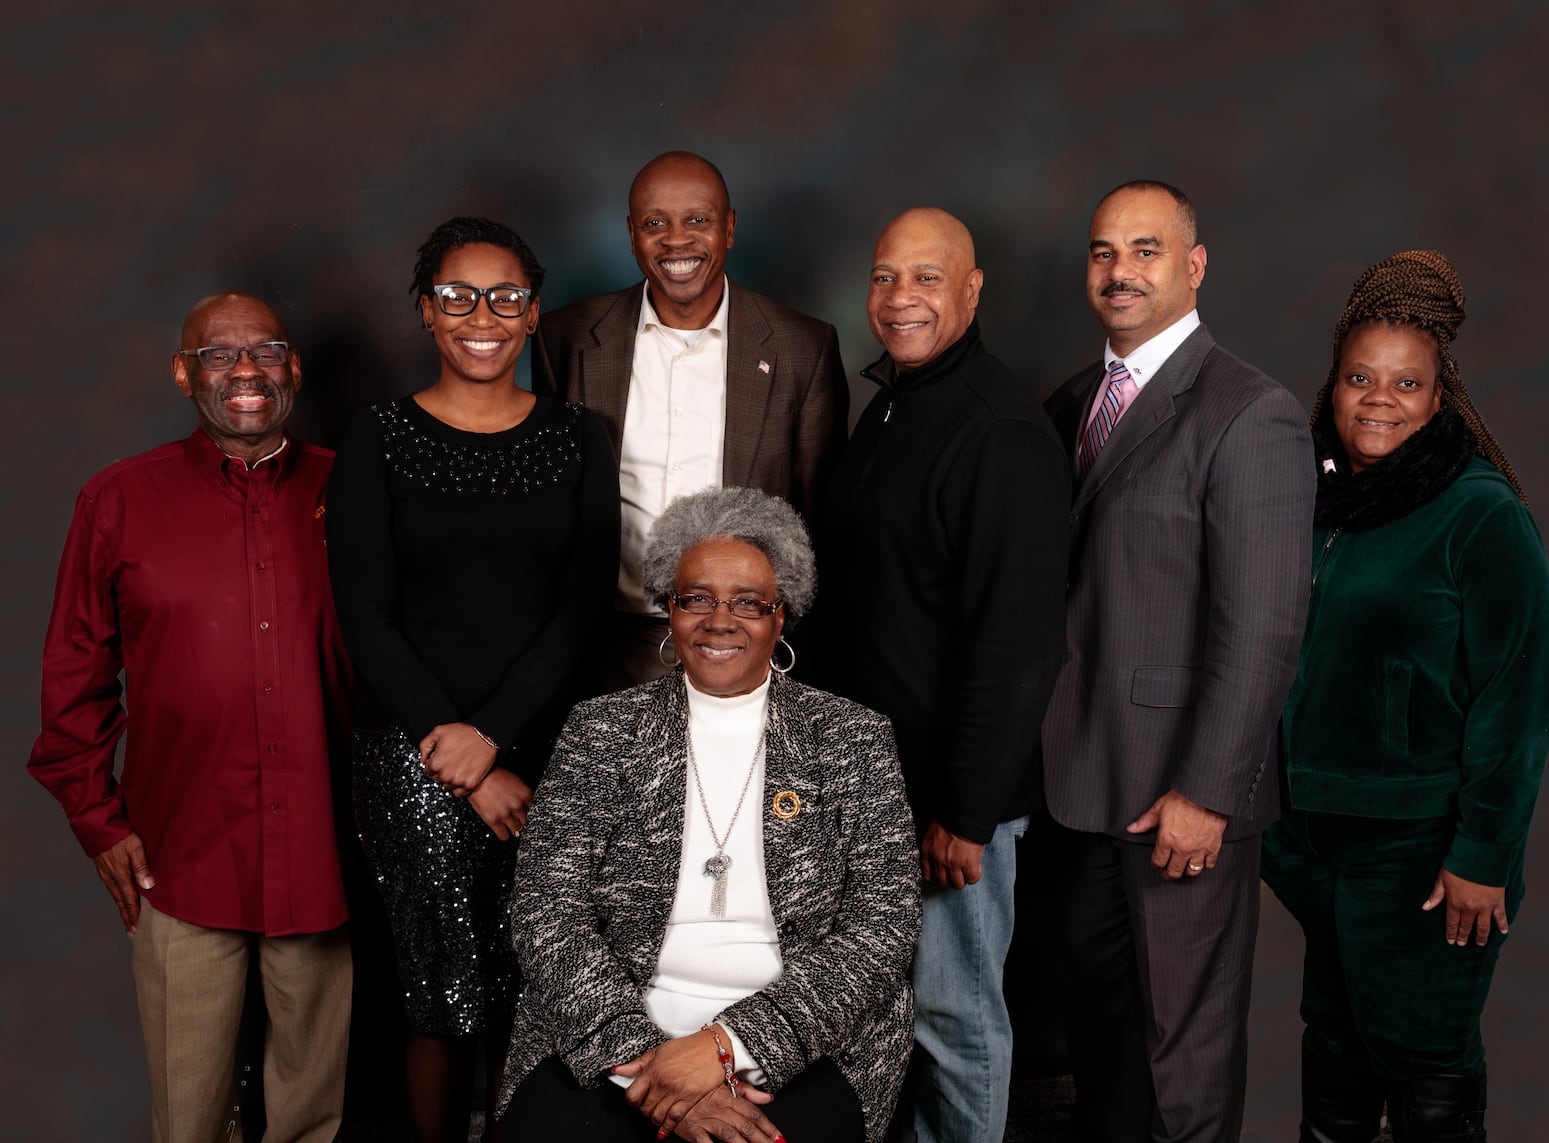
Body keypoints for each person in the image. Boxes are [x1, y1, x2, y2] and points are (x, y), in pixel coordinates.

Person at [498, 486, 921, 1143]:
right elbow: (545, 908)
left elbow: (884, 924)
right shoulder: (601, 730)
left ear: (782, 617)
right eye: (697, 597)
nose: (720, 620)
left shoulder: (852, 737)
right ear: (669, 609)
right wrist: (647, 1070)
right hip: (611, 1032)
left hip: (805, 1039)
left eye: (748, 602)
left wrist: (730, 1043)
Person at [28, 293, 353, 1143]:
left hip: (325, 848)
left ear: (294, 368)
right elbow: (74, 676)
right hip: (180, 856)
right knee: (189, 1114)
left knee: (315, 1114)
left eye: (266, 351)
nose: (245, 371)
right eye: (219, 355)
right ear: (184, 373)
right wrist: (98, 822)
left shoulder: (353, 489)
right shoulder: (116, 501)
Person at [326, 217, 619, 1143]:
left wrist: (496, 736)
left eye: (505, 297)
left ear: (534, 315)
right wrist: (462, 754)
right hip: (413, 753)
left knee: (532, 980)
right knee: (438, 990)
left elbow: (581, 607)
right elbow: (365, 617)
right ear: (426, 310)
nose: (480, 316)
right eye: (456, 296)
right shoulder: (376, 438)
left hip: (547, 750)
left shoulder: (580, 436)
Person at [1038, 180, 1315, 1141]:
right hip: (1079, 785)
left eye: (1146, 250)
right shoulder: (1074, 402)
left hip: (1180, 798)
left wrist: (1209, 790)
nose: (1121, 271)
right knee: (1102, 1053)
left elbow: (1266, 625)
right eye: (1104, 251)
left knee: (1182, 1065)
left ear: (1193, 267)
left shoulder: (1251, 412)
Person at [1261, 250, 1549, 1143]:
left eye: (1405, 382)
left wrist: (1484, 852)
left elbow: (1517, 697)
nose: (1378, 399)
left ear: (1440, 396)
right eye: (1360, 377)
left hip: (1425, 850)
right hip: (1314, 835)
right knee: (1339, 1046)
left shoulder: (1479, 514)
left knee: (1423, 1053)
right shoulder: (1314, 498)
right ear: (1335, 383)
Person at [812, 207, 1071, 1142]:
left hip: (951, 802)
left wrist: (966, 811)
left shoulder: (998, 430)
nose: (899, 297)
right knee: (885, 1017)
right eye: (885, 276)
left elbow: (1017, 643)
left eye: (926, 277)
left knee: (955, 1019)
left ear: (972, 290)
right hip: (876, 784)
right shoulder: (892, 403)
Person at [539, 150, 849, 688]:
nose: (677, 240)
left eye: (698, 221)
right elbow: (548, 506)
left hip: (745, 648)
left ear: (729, 229)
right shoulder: (566, 337)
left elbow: (819, 520)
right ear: (632, 234)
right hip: (603, 646)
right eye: (656, 223)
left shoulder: (804, 348)